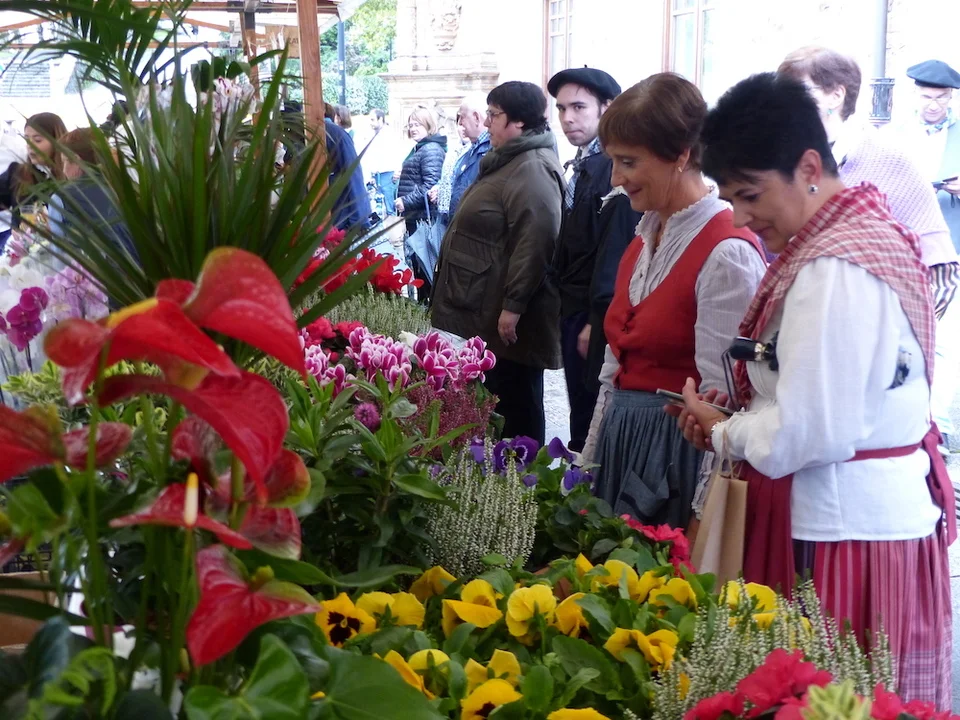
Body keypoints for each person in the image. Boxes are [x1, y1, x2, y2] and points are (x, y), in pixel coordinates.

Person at [674, 72, 953, 707]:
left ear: (807, 167)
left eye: (750, 194)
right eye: (730, 198)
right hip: (869, 520)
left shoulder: (832, 266)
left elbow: (809, 430)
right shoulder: (855, 232)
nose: (741, 217)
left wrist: (725, 431)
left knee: (833, 701)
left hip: (844, 532)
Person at [581, 73, 765, 529]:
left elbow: (725, 403)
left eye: (628, 162)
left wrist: (704, 516)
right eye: (613, 161)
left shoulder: (726, 252)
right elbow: (612, 374)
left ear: (681, 156)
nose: (616, 178)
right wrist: (588, 467)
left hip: (676, 457)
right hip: (624, 445)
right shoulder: (643, 239)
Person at [780, 47, 960, 455]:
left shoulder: (886, 160)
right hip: (796, 359)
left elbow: (941, 275)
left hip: (868, 383)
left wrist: (881, 347)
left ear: (835, 95)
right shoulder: (784, 163)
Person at [431, 81, 565, 444]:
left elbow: (537, 240)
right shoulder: (512, 160)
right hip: (489, 303)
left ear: (518, 121)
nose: (487, 122)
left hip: (511, 318)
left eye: (494, 115)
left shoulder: (532, 167)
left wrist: (513, 305)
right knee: (502, 399)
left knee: (517, 405)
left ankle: (521, 471)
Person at [548, 66, 642, 452]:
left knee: (591, 422)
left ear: (607, 107)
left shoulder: (610, 165)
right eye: (561, 108)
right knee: (582, 413)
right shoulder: (585, 161)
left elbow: (615, 251)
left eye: (579, 107)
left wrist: (593, 320)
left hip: (593, 313)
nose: (568, 118)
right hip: (574, 306)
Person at [46, 128, 135, 262]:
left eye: (64, 161)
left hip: (96, 273)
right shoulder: (127, 185)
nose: (63, 170)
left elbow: (60, 260)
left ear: (76, 160)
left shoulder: (62, 198)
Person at [396, 105, 446, 298]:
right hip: (416, 218)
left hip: (423, 220)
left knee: (425, 269)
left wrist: (405, 201)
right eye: (410, 125)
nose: (413, 128)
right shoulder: (422, 148)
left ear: (428, 125)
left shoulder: (431, 149)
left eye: (417, 124)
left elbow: (431, 185)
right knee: (419, 269)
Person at [0, 112, 67, 242]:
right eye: (27, 139)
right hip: (25, 250)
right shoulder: (18, 172)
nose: (30, 146)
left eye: (37, 140)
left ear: (56, 140)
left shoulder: (71, 177)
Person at [445, 93, 492, 220]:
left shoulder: (492, 150)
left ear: (476, 117)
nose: (460, 123)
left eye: (462, 117)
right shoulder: (470, 149)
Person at [365, 109, 402, 216]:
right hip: (375, 176)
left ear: (380, 119)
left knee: (390, 209)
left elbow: (398, 152)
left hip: (388, 174)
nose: (371, 123)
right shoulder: (371, 135)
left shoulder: (390, 134)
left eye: (373, 119)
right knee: (378, 208)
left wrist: (398, 171)